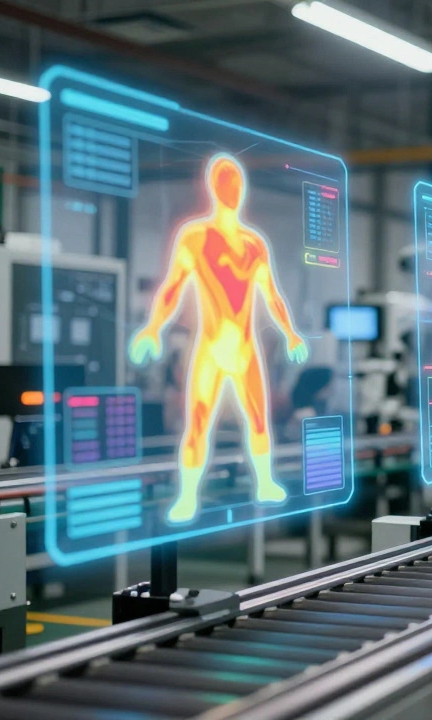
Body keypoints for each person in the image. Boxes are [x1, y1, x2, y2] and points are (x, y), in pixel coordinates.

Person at [130, 153, 309, 524]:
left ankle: (264, 482)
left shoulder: (254, 243)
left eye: (236, 182)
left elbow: (271, 293)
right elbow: (172, 288)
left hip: (245, 350)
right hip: (210, 349)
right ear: (213, 187)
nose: (232, 189)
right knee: (197, 425)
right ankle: (187, 495)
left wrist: (290, 332)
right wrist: (152, 327)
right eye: (225, 182)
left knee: (258, 422)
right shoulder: (194, 237)